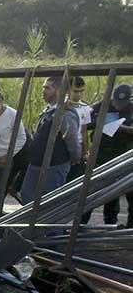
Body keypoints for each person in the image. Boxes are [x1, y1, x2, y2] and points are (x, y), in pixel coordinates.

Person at [20, 76, 82, 204]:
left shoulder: (65, 113)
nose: (43, 91)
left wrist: (75, 157)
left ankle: (45, 224)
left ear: (59, 90)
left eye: (47, 88)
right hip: (37, 163)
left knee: (50, 201)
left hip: (54, 165)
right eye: (43, 87)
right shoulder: (48, 110)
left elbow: (72, 140)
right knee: (27, 196)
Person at [82, 84, 133, 226]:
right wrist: (97, 120)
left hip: (121, 156)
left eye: (121, 104)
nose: (118, 106)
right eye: (116, 103)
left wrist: (123, 129)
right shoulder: (100, 106)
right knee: (91, 192)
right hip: (100, 155)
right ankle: (81, 224)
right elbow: (85, 125)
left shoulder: (131, 108)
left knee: (114, 194)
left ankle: (113, 225)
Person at [66, 76, 93, 182]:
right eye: (76, 91)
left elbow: (84, 130)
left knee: (75, 177)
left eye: (81, 91)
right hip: (64, 146)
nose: (79, 94)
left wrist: (86, 151)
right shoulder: (62, 105)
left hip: (79, 146)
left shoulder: (84, 107)